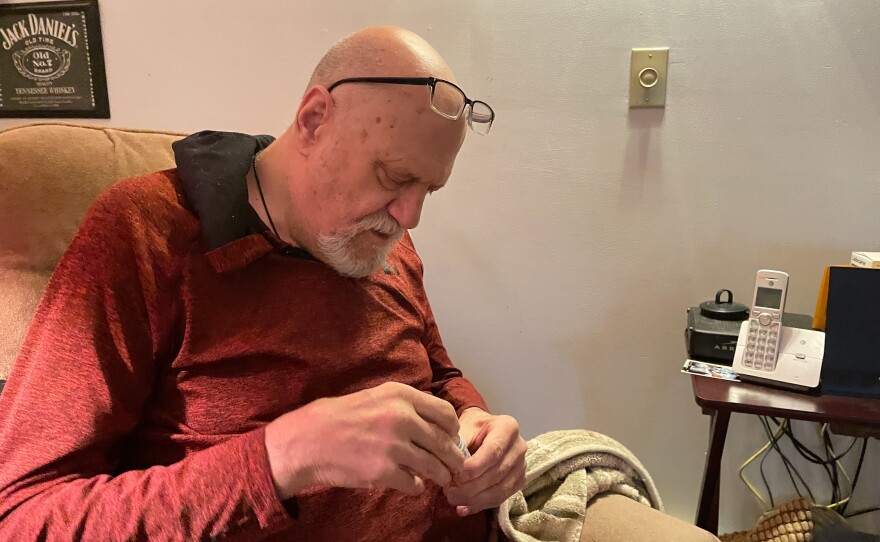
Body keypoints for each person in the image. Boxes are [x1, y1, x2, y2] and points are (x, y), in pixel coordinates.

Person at [0, 26, 717, 542]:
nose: (410, 216)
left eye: (429, 189)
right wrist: (279, 458)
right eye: (395, 178)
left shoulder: (384, 245)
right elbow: (26, 512)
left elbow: (439, 375)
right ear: (314, 119)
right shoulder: (144, 234)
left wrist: (479, 427)